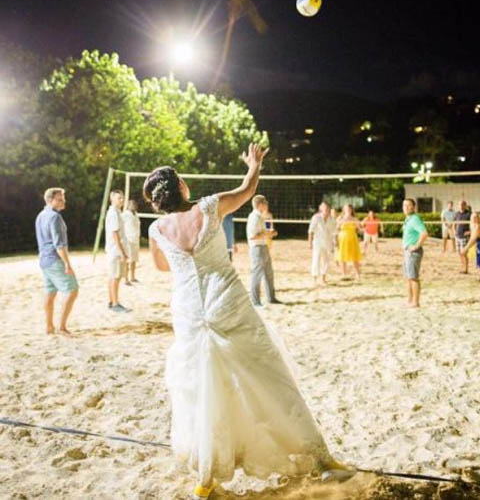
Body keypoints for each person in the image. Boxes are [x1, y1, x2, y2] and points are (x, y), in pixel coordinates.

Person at [144, 144, 353, 500]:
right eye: (181, 179)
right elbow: (246, 190)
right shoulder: (207, 207)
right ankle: (320, 458)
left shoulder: (157, 230)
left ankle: (207, 479)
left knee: (204, 388)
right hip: (226, 302)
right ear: (178, 187)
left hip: (191, 311)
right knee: (268, 375)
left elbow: (161, 267)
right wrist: (254, 164)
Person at [35, 187, 79, 336]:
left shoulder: (41, 215)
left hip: (44, 260)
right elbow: (59, 244)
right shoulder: (54, 217)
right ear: (50, 200)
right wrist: (67, 264)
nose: (63, 201)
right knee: (72, 289)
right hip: (54, 260)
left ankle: (49, 327)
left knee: (50, 293)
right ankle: (62, 327)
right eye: (60, 199)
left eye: (63, 198)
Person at [246, 194, 281, 306]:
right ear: (260, 205)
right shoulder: (254, 217)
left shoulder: (262, 216)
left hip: (263, 246)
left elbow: (267, 231)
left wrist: (270, 232)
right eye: (265, 203)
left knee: (269, 274)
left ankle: (271, 298)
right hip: (256, 248)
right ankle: (256, 301)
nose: (267, 205)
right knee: (257, 275)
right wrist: (267, 234)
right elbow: (253, 236)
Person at [105, 190, 131, 313]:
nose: (121, 200)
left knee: (113, 276)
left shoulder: (117, 212)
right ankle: (115, 303)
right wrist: (122, 252)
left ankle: (112, 301)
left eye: (122, 198)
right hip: (115, 250)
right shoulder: (113, 213)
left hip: (114, 250)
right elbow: (115, 234)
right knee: (115, 277)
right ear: (112, 199)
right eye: (119, 198)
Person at [402, 198, 428, 308]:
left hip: (413, 252)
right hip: (407, 250)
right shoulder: (408, 219)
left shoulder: (415, 219)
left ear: (413, 207)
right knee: (408, 277)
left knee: (413, 277)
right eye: (404, 205)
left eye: (409, 205)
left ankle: (416, 302)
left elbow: (424, 233)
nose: (406, 207)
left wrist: (417, 245)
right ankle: (410, 300)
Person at [308, 201, 336, 285]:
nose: (326, 209)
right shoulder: (316, 217)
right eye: (324, 207)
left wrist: (335, 242)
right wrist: (309, 242)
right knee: (316, 259)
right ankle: (315, 279)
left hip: (328, 242)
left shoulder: (332, 219)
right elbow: (310, 231)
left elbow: (333, 232)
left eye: (327, 207)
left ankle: (323, 278)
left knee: (326, 260)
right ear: (320, 208)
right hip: (317, 241)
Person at [336, 204, 363, 279]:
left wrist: (362, 228)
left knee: (355, 256)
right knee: (342, 256)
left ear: (351, 210)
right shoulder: (340, 218)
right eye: (346, 209)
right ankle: (344, 274)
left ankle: (357, 274)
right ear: (343, 210)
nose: (348, 210)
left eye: (349, 209)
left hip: (352, 238)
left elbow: (360, 229)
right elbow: (337, 228)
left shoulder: (354, 219)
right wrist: (342, 222)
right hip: (343, 238)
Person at [122, 199, 141, 285]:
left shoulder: (136, 214)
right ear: (128, 205)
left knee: (134, 259)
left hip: (135, 239)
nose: (133, 206)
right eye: (131, 204)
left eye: (134, 204)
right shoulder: (125, 214)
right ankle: (126, 279)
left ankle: (132, 277)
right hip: (128, 239)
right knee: (128, 260)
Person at [454, 200, 471, 273]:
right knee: (459, 253)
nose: (461, 206)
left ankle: (466, 269)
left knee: (464, 253)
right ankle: (463, 267)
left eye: (462, 204)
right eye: (460, 204)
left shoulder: (469, 214)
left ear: (465, 205)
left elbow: (474, 224)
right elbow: (454, 223)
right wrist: (454, 231)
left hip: (464, 236)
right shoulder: (457, 213)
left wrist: (470, 231)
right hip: (458, 236)